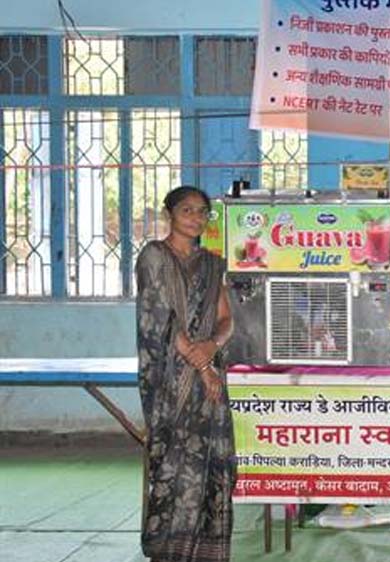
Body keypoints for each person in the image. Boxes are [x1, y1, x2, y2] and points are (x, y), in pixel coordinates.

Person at [136, 185, 235, 562]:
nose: (196, 218)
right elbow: (160, 317)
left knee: (211, 463)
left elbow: (226, 319)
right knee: (174, 461)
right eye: (187, 210)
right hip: (170, 379)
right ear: (169, 214)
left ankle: (206, 550)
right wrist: (203, 364)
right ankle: (169, 549)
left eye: (202, 212)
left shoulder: (211, 264)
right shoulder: (154, 256)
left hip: (208, 377)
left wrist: (212, 345)